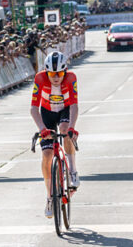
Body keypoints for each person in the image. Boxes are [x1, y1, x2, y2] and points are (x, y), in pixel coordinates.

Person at [30, 51, 80, 219]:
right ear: (46, 72)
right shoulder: (39, 79)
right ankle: (50, 197)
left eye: (59, 73)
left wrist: (72, 127)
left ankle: (72, 171)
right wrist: (42, 128)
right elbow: (33, 108)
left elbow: (74, 106)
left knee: (65, 131)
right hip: (47, 113)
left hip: (64, 110)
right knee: (47, 154)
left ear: (65, 71)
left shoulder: (71, 78)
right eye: (52, 73)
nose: (56, 77)